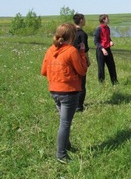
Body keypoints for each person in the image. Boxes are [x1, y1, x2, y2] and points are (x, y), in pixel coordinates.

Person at [41, 23, 88, 163]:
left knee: (64, 121)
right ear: (73, 36)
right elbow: (82, 70)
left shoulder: (50, 50)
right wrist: (82, 54)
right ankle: (61, 155)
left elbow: (43, 71)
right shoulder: (71, 51)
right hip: (69, 91)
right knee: (65, 123)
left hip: (54, 90)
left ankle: (67, 146)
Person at [72, 13, 90, 112]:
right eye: (85, 19)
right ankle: (79, 106)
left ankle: (71, 103)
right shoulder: (82, 34)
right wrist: (87, 60)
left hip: (69, 60)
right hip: (79, 59)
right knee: (81, 83)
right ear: (81, 20)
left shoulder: (70, 32)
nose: (85, 21)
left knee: (73, 82)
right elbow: (84, 49)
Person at [94, 14, 118, 85]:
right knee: (101, 67)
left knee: (112, 66)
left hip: (108, 49)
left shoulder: (107, 28)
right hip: (100, 50)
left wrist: (110, 41)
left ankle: (114, 82)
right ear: (103, 20)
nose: (108, 19)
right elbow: (96, 41)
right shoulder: (99, 29)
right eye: (107, 18)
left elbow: (108, 37)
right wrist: (102, 49)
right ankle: (102, 83)